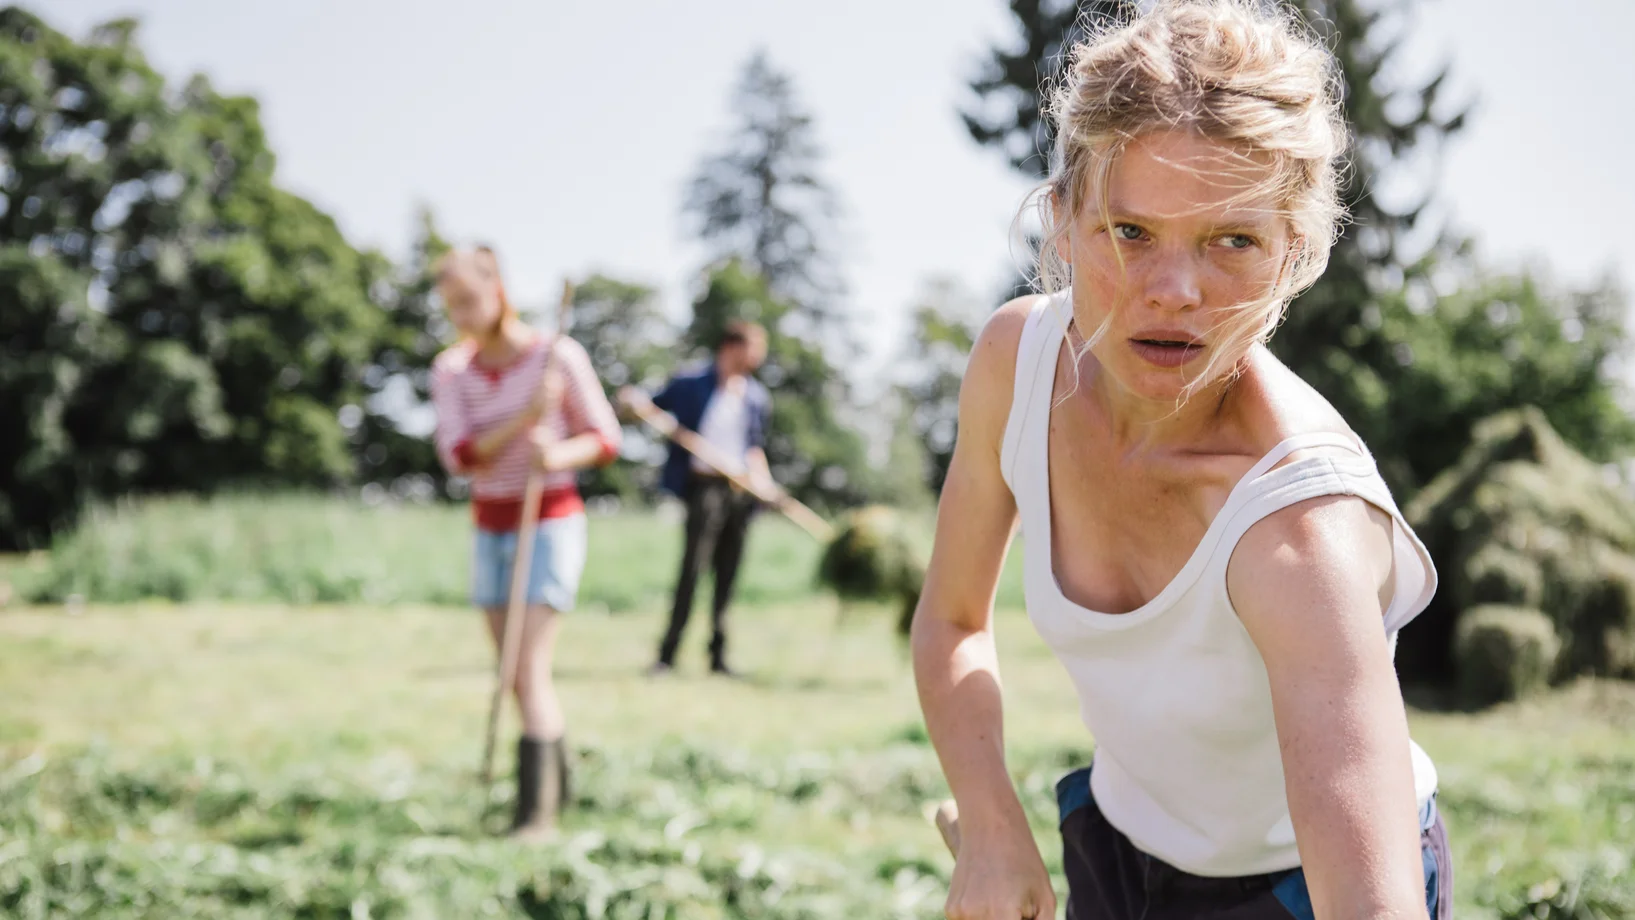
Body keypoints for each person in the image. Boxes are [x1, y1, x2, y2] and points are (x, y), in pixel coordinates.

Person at [912, 3, 1450, 918]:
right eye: (1129, 233)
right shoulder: (1018, 365)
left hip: (1292, 890)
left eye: (1231, 240)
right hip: (1120, 849)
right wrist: (991, 821)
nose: (1173, 292)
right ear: (1062, 220)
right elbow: (954, 621)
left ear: (1296, 253)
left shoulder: (1297, 529)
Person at [429, 246, 620, 839]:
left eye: (468, 301)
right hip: (491, 523)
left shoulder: (557, 355)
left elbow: (604, 437)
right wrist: (523, 420)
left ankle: (535, 817)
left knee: (525, 669)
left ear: (499, 290)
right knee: (512, 670)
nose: (460, 315)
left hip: (550, 521)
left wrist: (556, 452)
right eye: (450, 306)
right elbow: (458, 455)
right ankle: (559, 788)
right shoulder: (452, 370)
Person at [623, 322, 775, 677]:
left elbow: (754, 447)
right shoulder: (691, 383)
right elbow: (651, 405)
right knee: (692, 571)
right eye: (754, 349)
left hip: (740, 491)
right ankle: (668, 654)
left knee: (728, 574)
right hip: (703, 488)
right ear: (731, 347)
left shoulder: (754, 396)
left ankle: (718, 657)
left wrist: (764, 484)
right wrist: (633, 400)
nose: (758, 358)